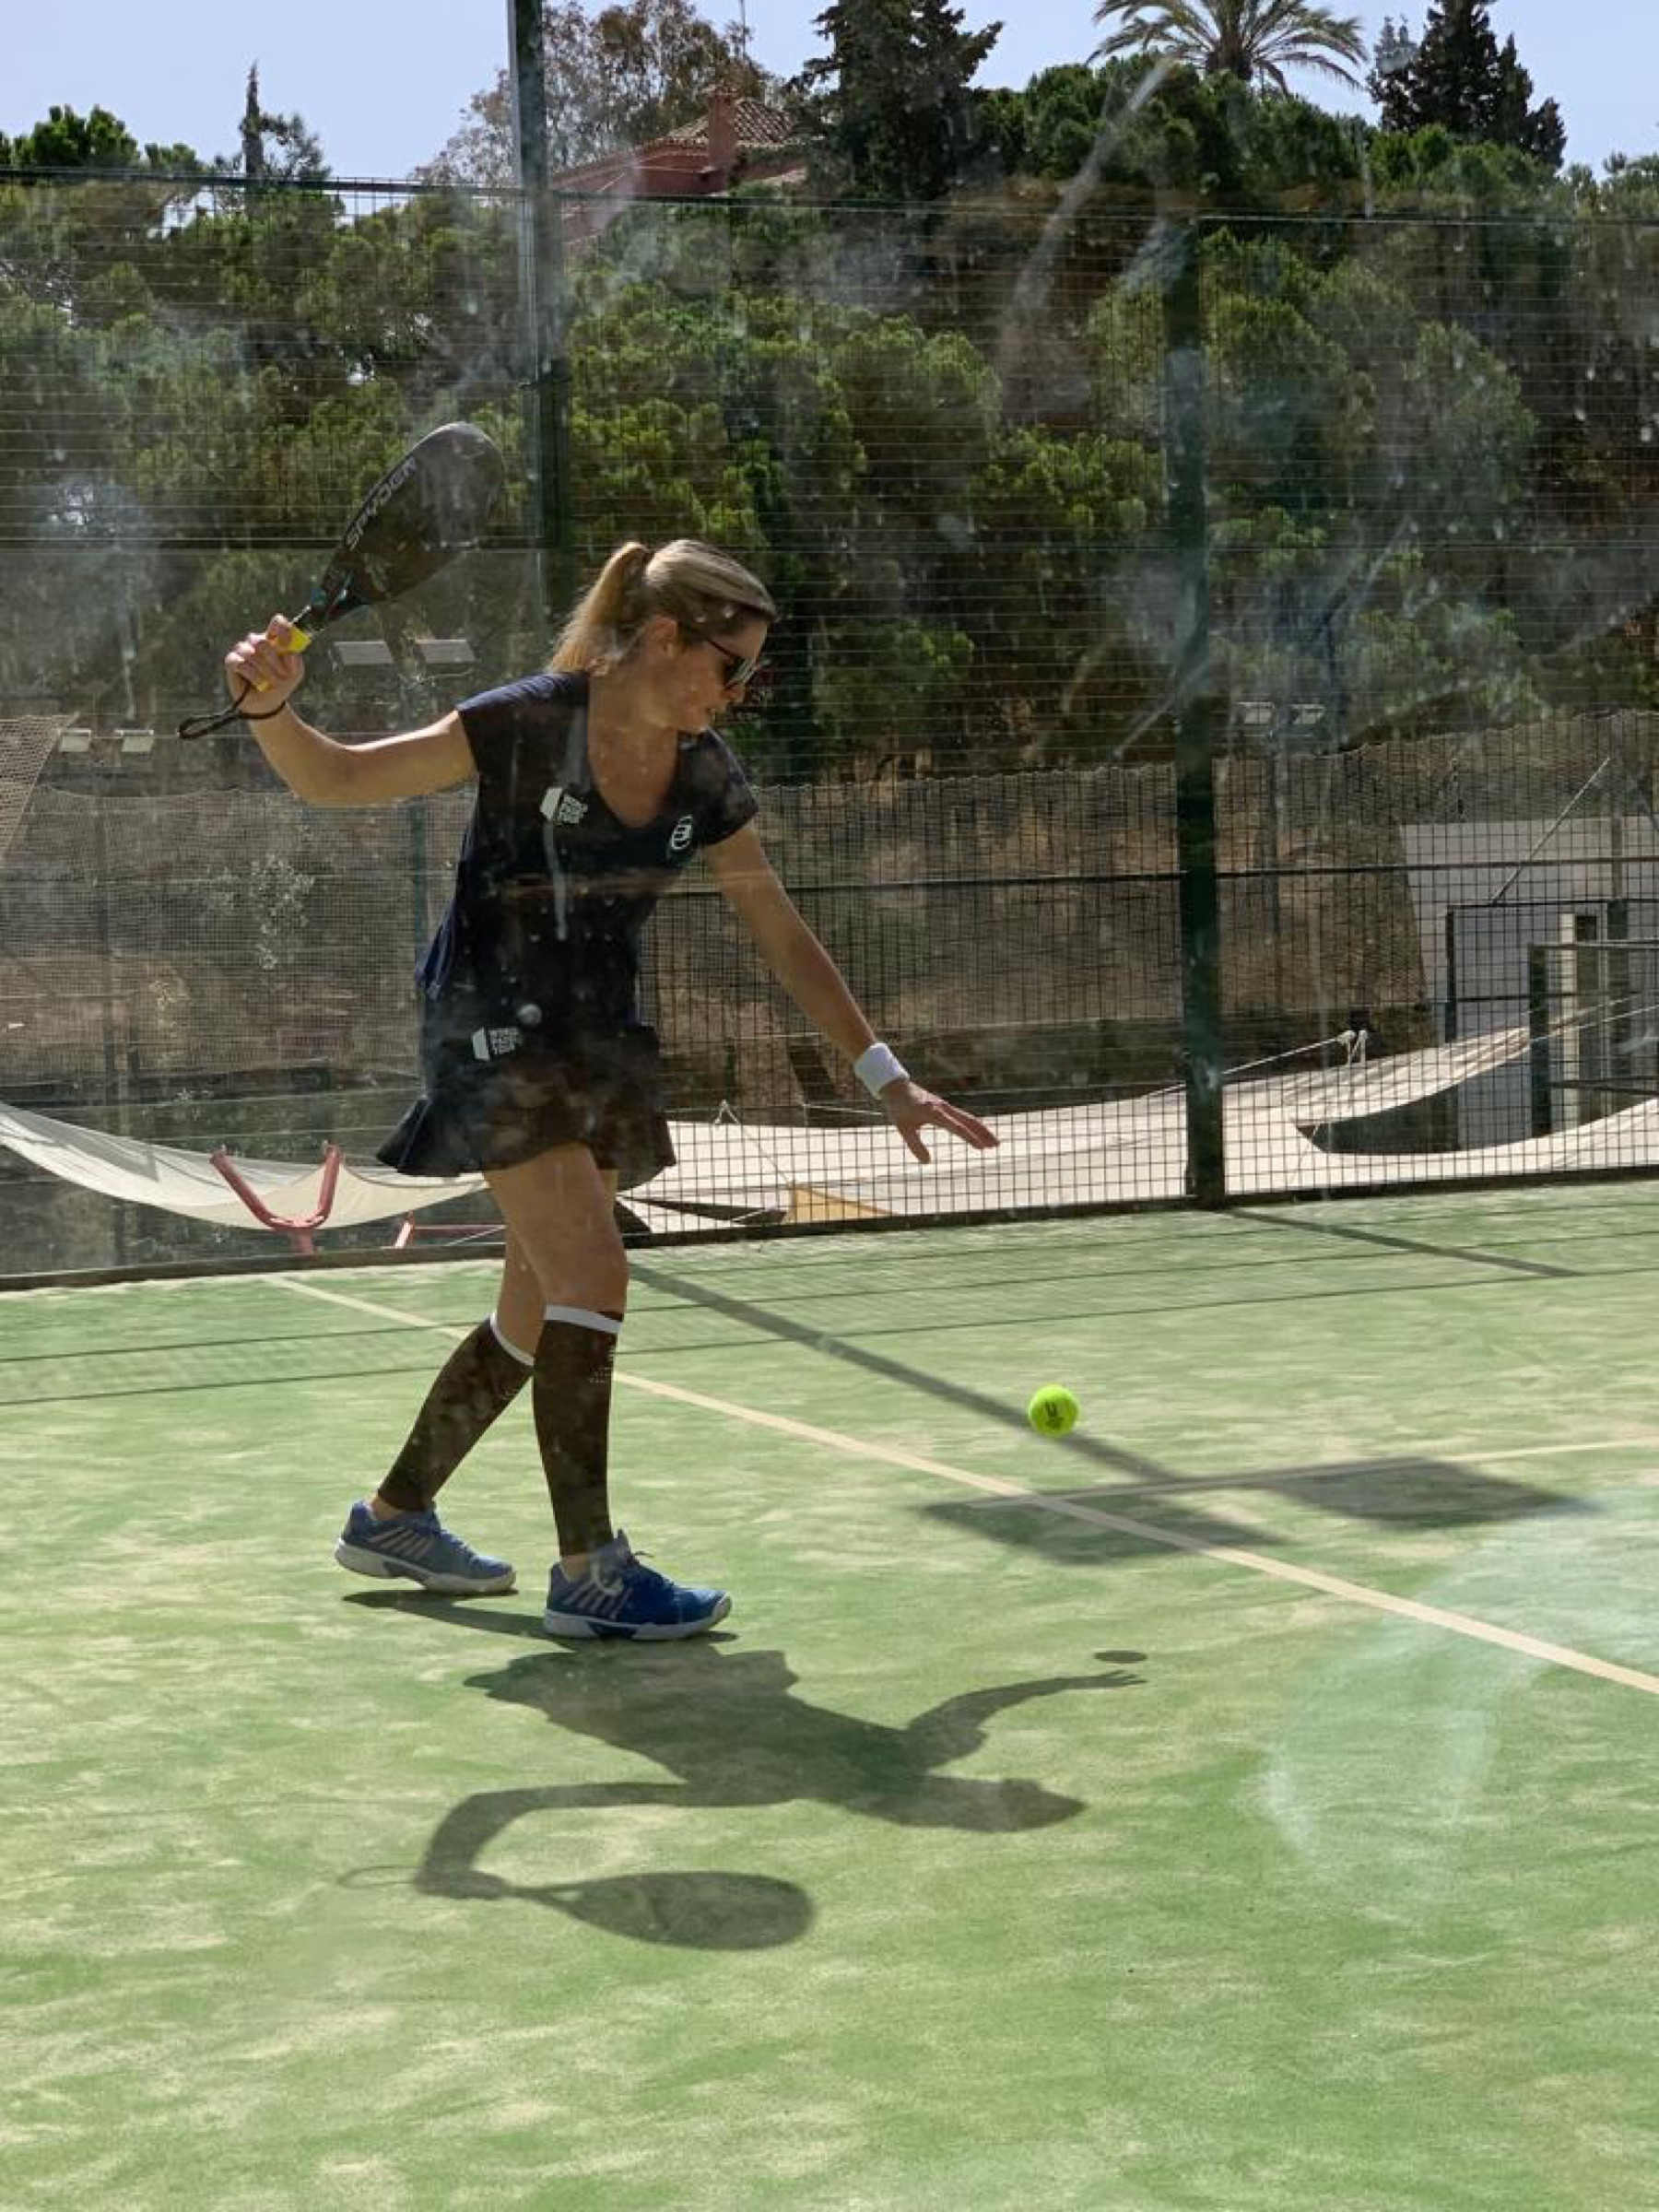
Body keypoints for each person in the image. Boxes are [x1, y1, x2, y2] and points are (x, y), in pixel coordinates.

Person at [223, 539, 997, 1641]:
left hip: (596, 1042)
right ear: (668, 638)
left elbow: (781, 931)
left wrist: (889, 1078)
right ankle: (590, 1570)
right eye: (731, 667)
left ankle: (394, 1517)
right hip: (490, 1030)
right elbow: (336, 777)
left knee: (536, 1305)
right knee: (593, 1273)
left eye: (750, 676)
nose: (738, 693)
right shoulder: (526, 723)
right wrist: (270, 708)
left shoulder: (705, 774)